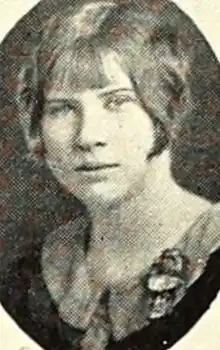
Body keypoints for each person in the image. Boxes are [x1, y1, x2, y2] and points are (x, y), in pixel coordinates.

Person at [1, 1, 220, 349]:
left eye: (117, 101)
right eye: (63, 108)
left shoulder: (212, 253)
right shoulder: (30, 281)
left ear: (164, 108)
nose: (88, 136)